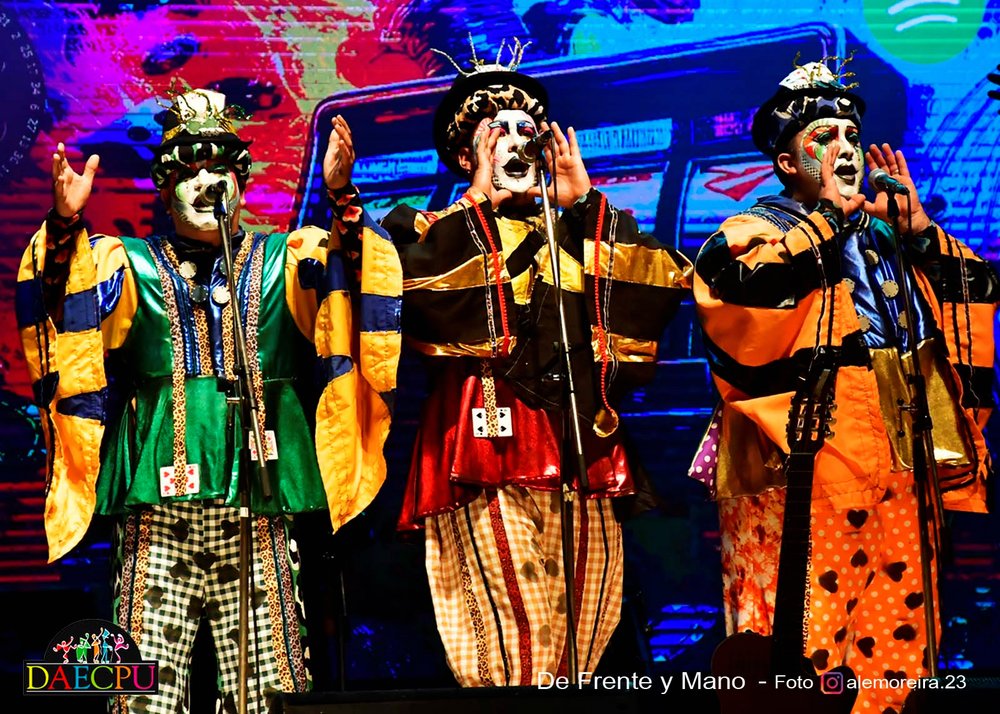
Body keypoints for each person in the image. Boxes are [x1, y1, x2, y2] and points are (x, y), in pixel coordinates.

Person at [15, 89, 402, 713]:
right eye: (188, 171)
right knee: (143, 687)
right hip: (157, 503)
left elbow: (359, 284)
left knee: (269, 684)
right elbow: (58, 310)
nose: (205, 183)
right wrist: (64, 225)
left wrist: (341, 198)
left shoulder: (286, 259)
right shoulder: (126, 263)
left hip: (260, 493)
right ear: (165, 188)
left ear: (240, 182)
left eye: (218, 168)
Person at [325, 42, 692, 686]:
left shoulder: (579, 229)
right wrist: (344, 197)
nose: (519, 141)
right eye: (500, 132)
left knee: (583, 627)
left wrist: (585, 204)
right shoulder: (428, 231)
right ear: (467, 156)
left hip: (579, 441)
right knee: (513, 634)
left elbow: (663, 281)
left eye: (529, 131)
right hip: (481, 439)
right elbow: (374, 275)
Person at [691, 60, 998, 713]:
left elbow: (979, 290)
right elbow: (735, 295)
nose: (846, 149)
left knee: (898, 635)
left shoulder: (888, 236)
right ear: (785, 162)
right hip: (803, 462)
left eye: (852, 135)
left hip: (898, 456)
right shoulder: (756, 230)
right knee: (805, 633)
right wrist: (827, 219)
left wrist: (919, 230)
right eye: (824, 137)